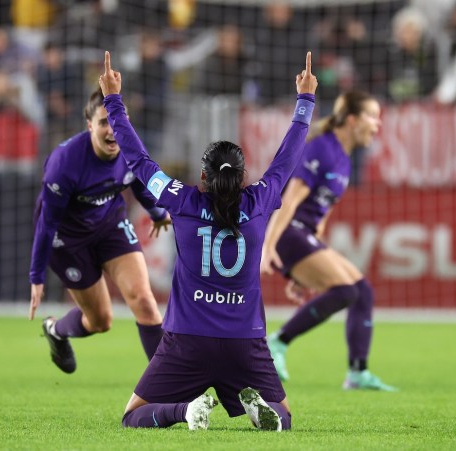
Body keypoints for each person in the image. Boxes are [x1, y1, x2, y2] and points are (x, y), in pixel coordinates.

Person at [100, 50, 317, 431]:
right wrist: (305, 101)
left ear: (203, 176)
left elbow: (138, 162)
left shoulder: (181, 200)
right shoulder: (261, 199)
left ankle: (184, 412)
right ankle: (260, 411)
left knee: (133, 416)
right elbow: (286, 161)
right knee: (284, 416)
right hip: (244, 341)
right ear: (243, 175)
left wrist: (114, 101)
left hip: (187, 339)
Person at [260, 90, 397, 392]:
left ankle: (358, 373)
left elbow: (321, 216)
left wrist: (304, 268)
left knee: (362, 291)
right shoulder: (321, 148)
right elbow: (291, 199)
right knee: (345, 290)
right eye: (372, 116)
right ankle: (278, 342)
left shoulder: (344, 159)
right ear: (351, 120)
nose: (378, 125)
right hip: (289, 231)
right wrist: (269, 247)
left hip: (304, 235)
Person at [28, 88, 172, 374]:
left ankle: (168, 384)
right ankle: (57, 330)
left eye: (117, 122)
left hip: (109, 225)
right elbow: (47, 223)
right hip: (67, 241)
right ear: (89, 125)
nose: (112, 130)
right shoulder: (64, 163)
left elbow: (138, 181)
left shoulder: (131, 148)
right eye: (103, 122)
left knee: (143, 299)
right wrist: (37, 275)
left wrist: (157, 213)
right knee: (100, 321)